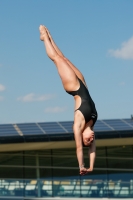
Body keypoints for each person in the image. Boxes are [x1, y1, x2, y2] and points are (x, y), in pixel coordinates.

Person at [39, 25, 98, 175]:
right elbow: (92, 151)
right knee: (64, 58)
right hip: (83, 83)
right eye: (92, 141)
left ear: (83, 138)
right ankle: (50, 37)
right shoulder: (92, 122)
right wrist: (91, 167)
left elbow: (79, 148)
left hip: (74, 87)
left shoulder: (78, 125)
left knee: (57, 59)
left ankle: (44, 38)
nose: (91, 140)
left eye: (88, 141)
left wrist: (82, 166)